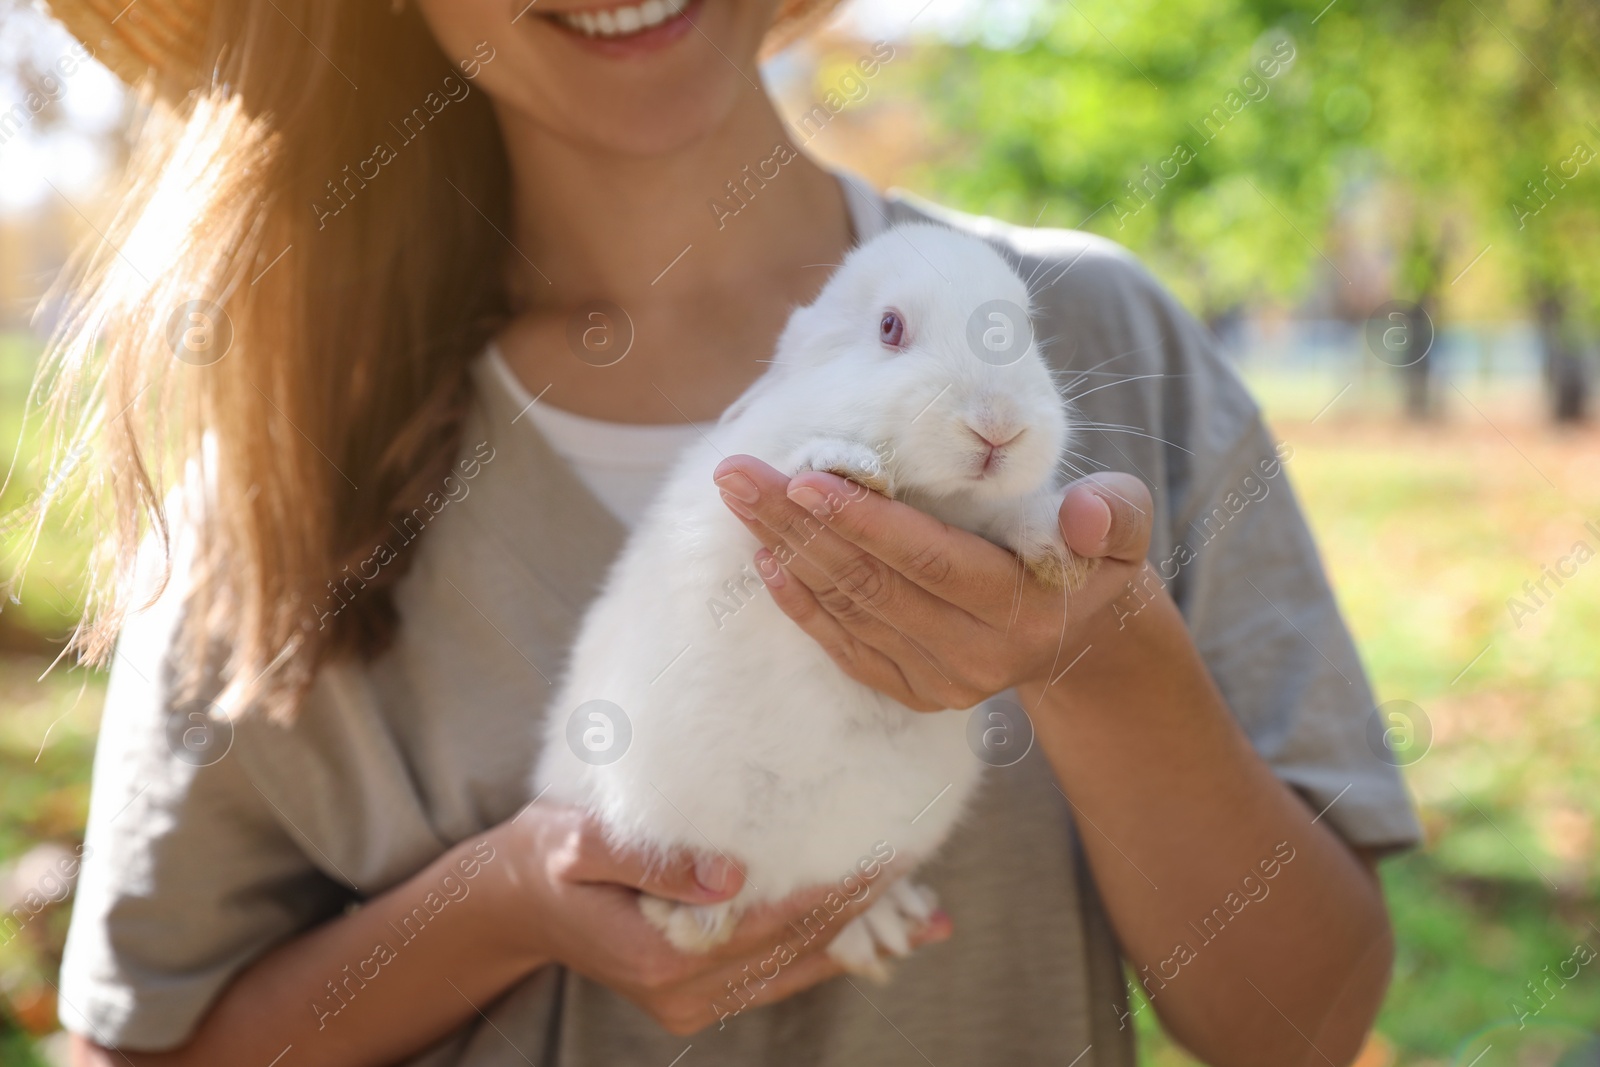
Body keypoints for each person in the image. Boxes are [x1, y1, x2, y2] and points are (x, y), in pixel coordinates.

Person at [38, 0, 1420, 1064]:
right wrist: (504, 904)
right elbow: (136, 1042)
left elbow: (1299, 1026)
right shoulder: (288, 464)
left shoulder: (1102, 339)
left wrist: (1103, 663)